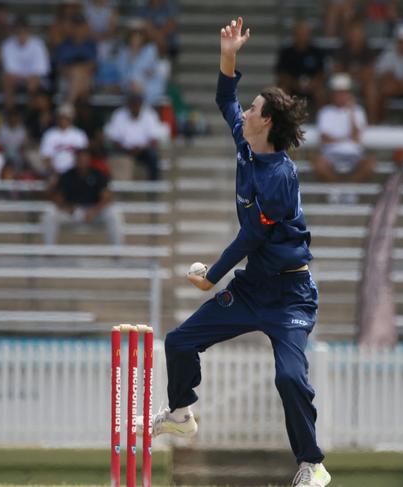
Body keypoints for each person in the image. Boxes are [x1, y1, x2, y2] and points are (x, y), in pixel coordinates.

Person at [137, 17, 331, 487]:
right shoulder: (247, 146)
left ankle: (313, 464)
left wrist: (213, 275)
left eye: (254, 110)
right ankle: (182, 413)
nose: (244, 113)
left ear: (267, 122)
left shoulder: (280, 177)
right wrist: (229, 56)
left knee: (289, 378)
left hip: (289, 296)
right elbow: (226, 98)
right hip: (251, 290)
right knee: (180, 341)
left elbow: (253, 238)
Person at [42, 147, 124, 245]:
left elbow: (107, 197)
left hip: (94, 213)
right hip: (73, 212)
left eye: (85, 158)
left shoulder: (98, 174)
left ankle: (118, 252)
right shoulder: (66, 175)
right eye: (79, 158)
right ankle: (49, 251)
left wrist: (94, 211)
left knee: (114, 213)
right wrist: (68, 207)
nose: (82, 160)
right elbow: (58, 198)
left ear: (89, 159)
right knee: (50, 212)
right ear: (75, 159)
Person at [312, 73, 375, 188]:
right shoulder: (325, 112)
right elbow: (324, 138)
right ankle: (337, 188)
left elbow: (356, 137)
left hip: (354, 153)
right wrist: (346, 138)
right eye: (338, 92)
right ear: (333, 94)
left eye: (344, 92)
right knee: (318, 163)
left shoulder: (357, 111)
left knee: (370, 163)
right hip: (331, 153)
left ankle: (348, 190)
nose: (342, 95)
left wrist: (351, 113)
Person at [104, 91, 164, 180]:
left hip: (143, 150)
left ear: (141, 105)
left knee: (153, 156)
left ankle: (153, 187)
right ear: (128, 105)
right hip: (123, 150)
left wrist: (141, 148)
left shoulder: (150, 114)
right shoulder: (119, 114)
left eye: (137, 104)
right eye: (132, 104)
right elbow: (114, 139)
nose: (135, 107)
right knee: (110, 153)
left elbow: (154, 140)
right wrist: (127, 149)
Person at [0, 15, 50, 108]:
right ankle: (10, 111)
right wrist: (22, 78)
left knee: (33, 82)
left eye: (23, 30)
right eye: (18, 31)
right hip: (16, 79)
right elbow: (9, 70)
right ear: (14, 31)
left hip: (35, 80)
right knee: (7, 79)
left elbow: (40, 71)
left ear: (28, 30)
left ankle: (30, 114)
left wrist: (27, 78)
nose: (21, 34)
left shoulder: (38, 44)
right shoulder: (7, 45)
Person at [332, 21, 378, 123]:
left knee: (371, 88)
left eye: (357, 33)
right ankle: (334, 121)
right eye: (352, 33)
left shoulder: (367, 49)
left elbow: (370, 71)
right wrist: (354, 74)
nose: (355, 36)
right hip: (345, 82)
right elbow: (336, 69)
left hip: (361, 82)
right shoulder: (342, 48)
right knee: (335, 85)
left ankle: (372, 122)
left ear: (362, 34)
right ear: (348, 34)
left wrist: (353, 74)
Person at [275, 21, 326, 111]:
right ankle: (283, 119)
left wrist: (312, 83)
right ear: (294, 35)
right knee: (282, 90)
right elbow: (281, 74)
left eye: (305, 34)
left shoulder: (316, 51)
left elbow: (321, 73)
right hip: (292, 85)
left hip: (312, 86)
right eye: (299, 34)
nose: (302, 36)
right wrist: (295, 84)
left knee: (320, 92)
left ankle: (322, 120)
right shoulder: (286, 52)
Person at [116, 20, 169, 105]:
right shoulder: (123, 51)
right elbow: (121, 72)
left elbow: (150, 71)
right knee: (131, 89)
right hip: (129, 85)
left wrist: (142, 79)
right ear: (129, 36)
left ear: (144, 36)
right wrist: (132, 54)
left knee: (144, 89)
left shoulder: (150, 49)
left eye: (140, 34)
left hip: (147, 85)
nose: (137, 37)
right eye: (134, 34)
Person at [55, 15, 98, 104]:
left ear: (85, 27)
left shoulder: (90, 44)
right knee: (78, 77)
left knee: (79, 75)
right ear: (72, 28)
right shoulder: (64, 45)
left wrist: (79, 71)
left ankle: (69, 105)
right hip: (67, 78)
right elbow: (60, 67)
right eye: (76, 26)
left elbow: (93, 65)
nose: (78, 29)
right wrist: (73, 72)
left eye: (80, 26)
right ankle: (77, 112)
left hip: (86, 77)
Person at [40, 104, 89, 177]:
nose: (63, 120)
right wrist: (54, 172)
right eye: (61, 117)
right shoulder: (50, 134)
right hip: (54, 173)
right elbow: (46, 157)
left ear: (71, 118)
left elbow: (84, 157)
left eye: (66, 117)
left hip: (75, 173)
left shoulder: (79, 134)